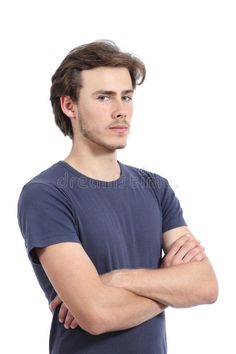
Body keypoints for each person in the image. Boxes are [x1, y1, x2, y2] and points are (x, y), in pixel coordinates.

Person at [17, 40, 218, 354]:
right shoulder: (46, 194)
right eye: (103, 97)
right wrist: (169, 283)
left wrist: (117, 279)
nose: (120, 110)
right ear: (69, 105)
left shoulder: (156, 187)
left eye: (126, 96)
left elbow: (205, 286)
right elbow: (97, 315)